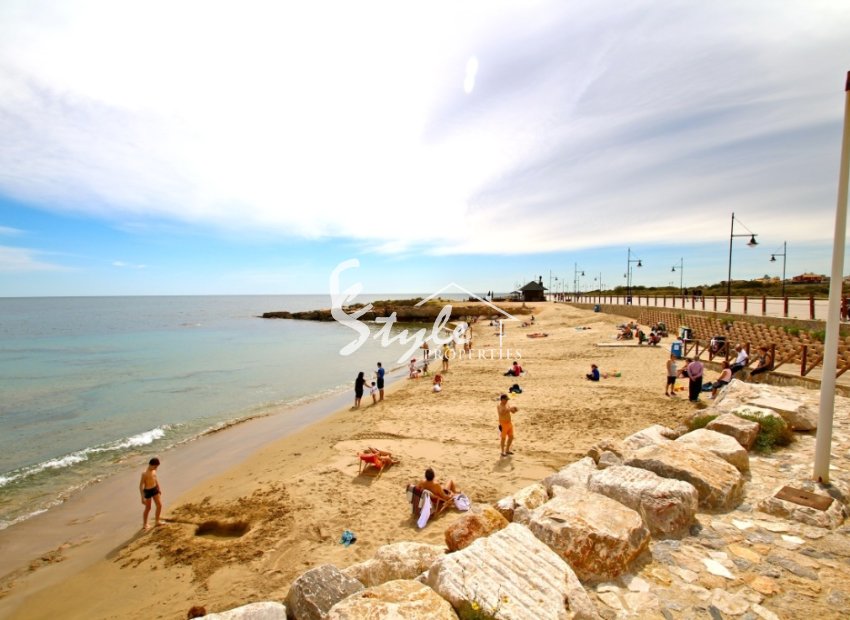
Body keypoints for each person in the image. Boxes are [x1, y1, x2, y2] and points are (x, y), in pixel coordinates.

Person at [140, 457, 163, 530]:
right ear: (151, 464)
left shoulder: (154, 471)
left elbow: (155, 479)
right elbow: (141, 485)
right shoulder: (144, 473)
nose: (156, 468)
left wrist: (159, 488)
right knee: (148, 508)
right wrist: (142, 497)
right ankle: (145, 524)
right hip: (148, 491)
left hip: (154, 489)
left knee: (159, 505)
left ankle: (157, 521)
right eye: (155, 466)